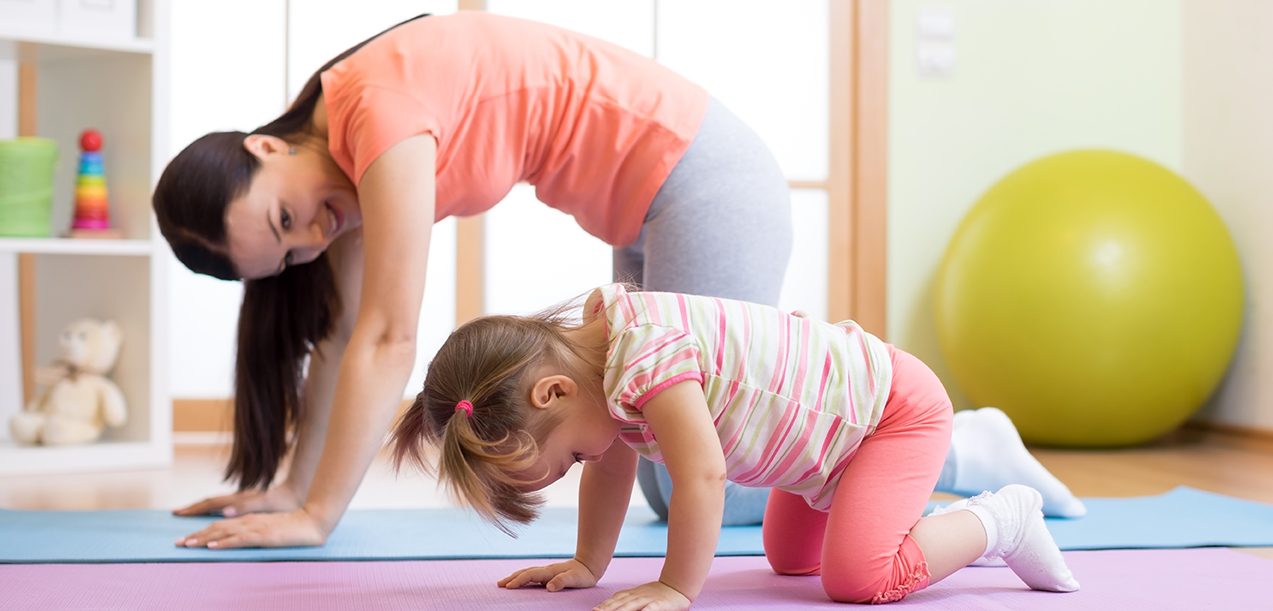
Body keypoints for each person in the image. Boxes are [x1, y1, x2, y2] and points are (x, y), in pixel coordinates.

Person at [155, 10, 1079, 550]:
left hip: (704, 183)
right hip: (650, 213)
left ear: (267, 145)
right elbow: (344, 334)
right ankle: (907, 445)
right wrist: (287, 486)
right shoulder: (343, 157)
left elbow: (390, 335)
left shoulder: (377, 119)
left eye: (287, 218)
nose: (314, 237)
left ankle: (949, 445)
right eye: (289, 257)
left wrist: (321, 515)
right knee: (642, 458)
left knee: (692, 478)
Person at [391, 284, 1079, 608]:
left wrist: (675, 585)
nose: (584, 462)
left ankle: (1002, 516)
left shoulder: (643, 354)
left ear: (552, 393)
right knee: (789, 561)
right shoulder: (599, 374)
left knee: (858, 578)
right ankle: (933, 480)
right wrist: (587, 561)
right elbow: (611, 465)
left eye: (567, 456)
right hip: (820, 448)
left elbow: (703, 475)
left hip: (888, 415)